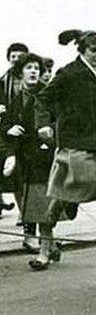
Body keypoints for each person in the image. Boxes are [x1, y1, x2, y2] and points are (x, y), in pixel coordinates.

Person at [34, 30, 96, 269]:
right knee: (61, 194)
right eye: (94, 51)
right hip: (74, 141)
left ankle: (71, 200)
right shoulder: (68, 73)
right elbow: (42, 98)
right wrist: (43, 125)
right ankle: (45, 247)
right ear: (82, 51)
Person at [0, 53, 60, 269]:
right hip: (26, 160)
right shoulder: (16, 100)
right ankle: (50, 245)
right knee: (36, 204)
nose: (34, 71)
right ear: (20, 73)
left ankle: (44, 252)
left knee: (40, 203)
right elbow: (6, 124)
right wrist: (10, 130)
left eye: (37, 68)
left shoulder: (49, 96)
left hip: (46, 158)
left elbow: (63, 120)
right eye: (29, 68)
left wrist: (51, 131)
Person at [0, 44, 30, 225]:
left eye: (20, 56)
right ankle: (23, 213)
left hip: (30, 130)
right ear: (8, 58)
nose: (16, 59)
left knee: (30, 176)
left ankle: (27, 212)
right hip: (10, 131)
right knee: (17, 175)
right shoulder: (3, 81)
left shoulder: (33, 76)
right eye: (13, 56)